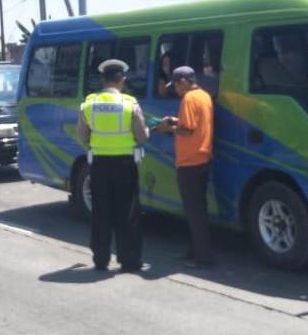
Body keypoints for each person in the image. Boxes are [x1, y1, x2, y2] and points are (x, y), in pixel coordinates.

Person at [76, 59, 150, 272]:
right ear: (122, 80)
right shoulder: (130, 104)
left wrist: (96, 144)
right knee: (127, 213)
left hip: (99, 165)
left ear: (103, 80)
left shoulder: (89, 103)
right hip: (125, 165)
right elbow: (142, 137)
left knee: (101, 212)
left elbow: (82, 136)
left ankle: (101, 260)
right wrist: (147, 131)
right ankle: (129, 260)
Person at [156, 66, 214, 268]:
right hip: (203, 158)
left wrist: (168, 127)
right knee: (197, 211)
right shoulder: (204, 96)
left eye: (176, 86)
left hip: (190, 161)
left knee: (194, 213)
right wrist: (175, 121)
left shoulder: (188, 99)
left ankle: (202, 258)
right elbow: (194, 124)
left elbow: (187, 130)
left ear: (182, 82)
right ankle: (194, 251)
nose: (175, 90)